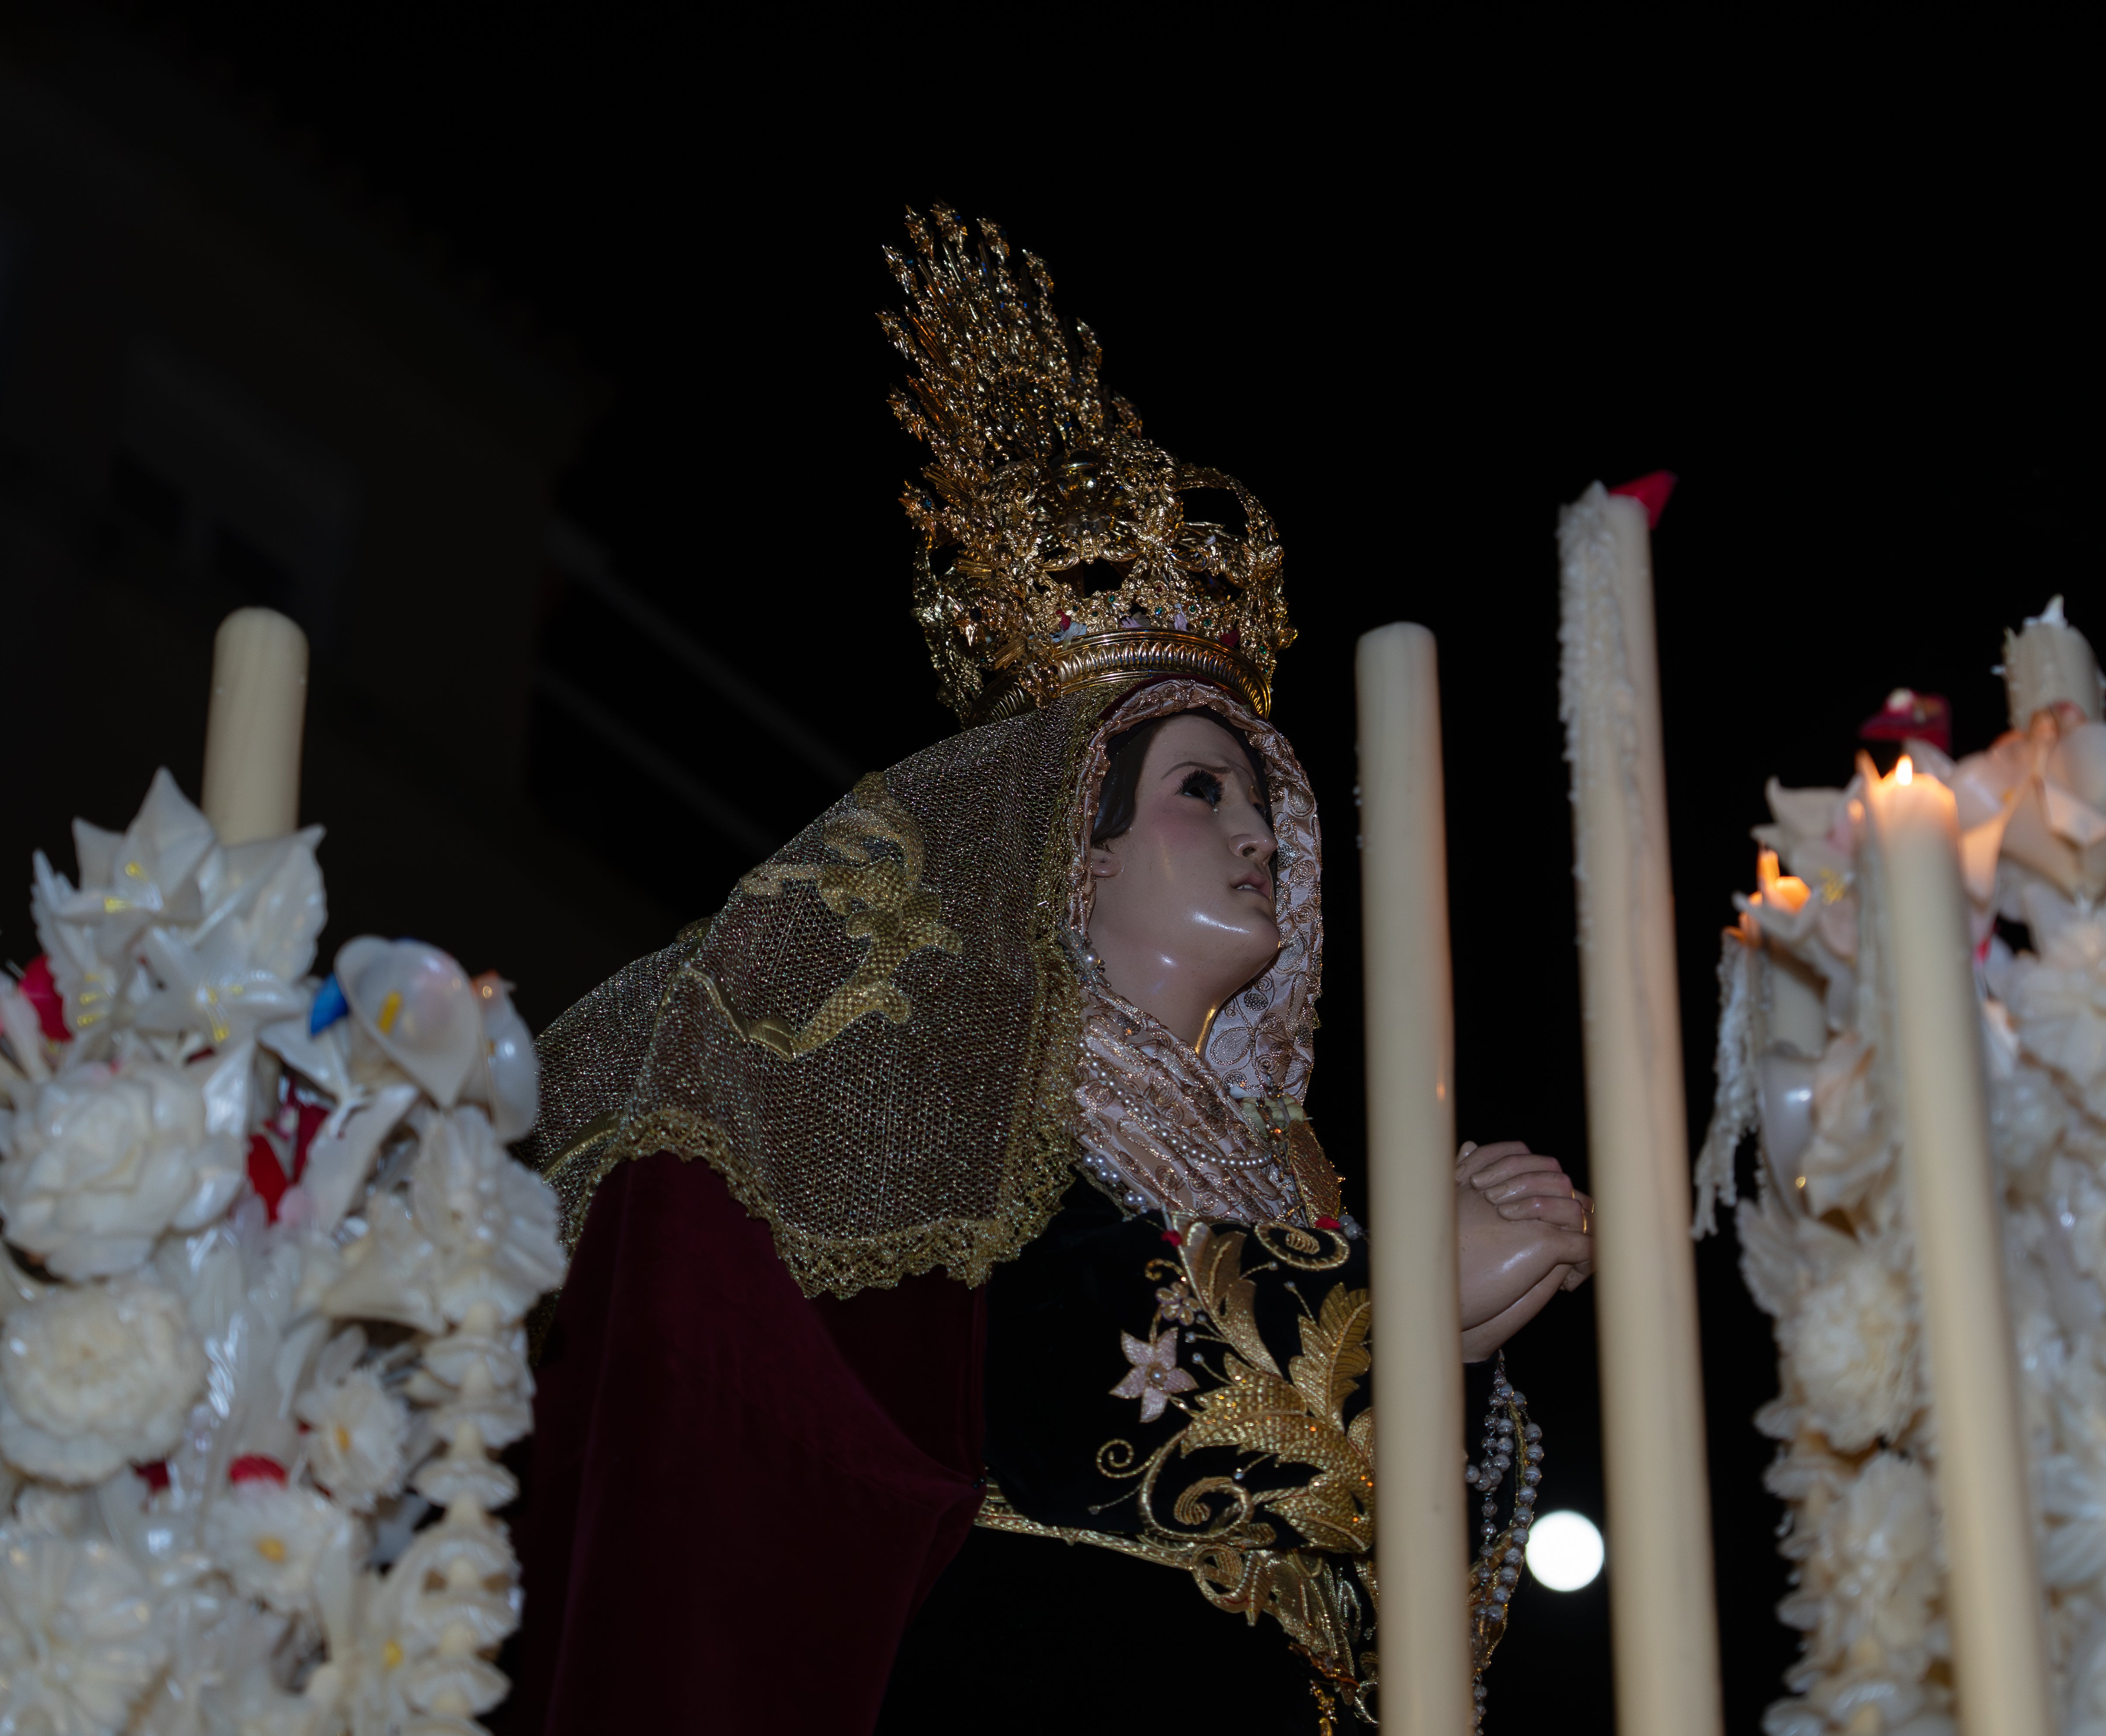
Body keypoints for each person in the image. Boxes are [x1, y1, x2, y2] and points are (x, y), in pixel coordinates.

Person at [494, 210, 1592, 1736]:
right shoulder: (954, 1117)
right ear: (1070, 855)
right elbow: (1036, 1396)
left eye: (1270, 799)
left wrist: (1439, 1339)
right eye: (1202, 789)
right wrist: (1386, 1294)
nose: (1263, 831)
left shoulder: (1290, 1186)